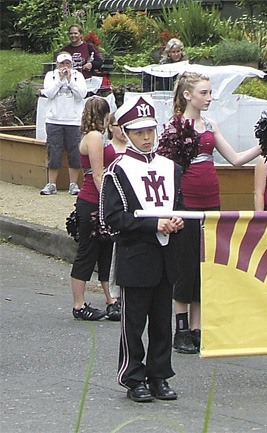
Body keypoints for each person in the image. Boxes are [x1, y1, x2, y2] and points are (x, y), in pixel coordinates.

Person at [164, 72, 262, 354]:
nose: (209, 98)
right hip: (186, 202)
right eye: (204, 93)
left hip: (211, 201)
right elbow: (167, 166)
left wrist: (263, 145)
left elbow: (236, 159)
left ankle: (197, 327)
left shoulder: (210, 124)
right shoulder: (174, 126)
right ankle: (180, 326)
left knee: (204, 264)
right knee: (185, 264)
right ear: (187, 95)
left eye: (209, 93)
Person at [102, 94, 185, 402]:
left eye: (150, 130)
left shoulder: (171, 168)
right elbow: (112, 218)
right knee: (134, 323)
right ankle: (133, 376)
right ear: (125, 132)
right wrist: (154, 224)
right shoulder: (118, 170)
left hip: (167, 255)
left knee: (162, 322)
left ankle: (160, 375)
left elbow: (180, 206)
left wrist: (177, 220)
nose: (147, 137)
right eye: (139, 132)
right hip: (136, 256)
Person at [69, 96, 119, 321]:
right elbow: (98, 174)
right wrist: (109, 201)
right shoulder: (95, 137)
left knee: (105, 250)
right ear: (105, 115)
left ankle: (111, 299)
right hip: (92, 200)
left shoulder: (96, 136)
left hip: (96, 198)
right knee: (88, 252)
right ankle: (79, 305)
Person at [40, 52, 87, 196]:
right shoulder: (51, 76)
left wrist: (70, 80)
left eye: (67, 64)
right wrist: (60, 80)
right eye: (62, 64)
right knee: (54, 151)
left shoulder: (78, 76)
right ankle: (51, 184)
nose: (64, 67)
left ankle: (73, 184)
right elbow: (48, 93)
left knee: (74, 152)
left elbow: (82, 94)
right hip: (54, 120)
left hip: (73, 121)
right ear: (57, 64)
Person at [104, 111, 128, 307]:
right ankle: (114, 293)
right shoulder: (109, 150)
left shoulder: (133, 149)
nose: (122, 130)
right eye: (118, 125)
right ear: (110, 127)